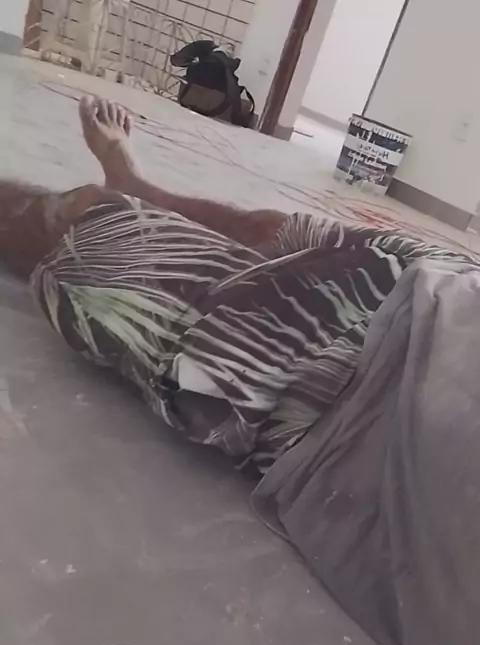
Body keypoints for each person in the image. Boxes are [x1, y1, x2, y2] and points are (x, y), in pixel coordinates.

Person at [0, 97, 469, 471]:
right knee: (287, 234)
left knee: (87, 222)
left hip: (377, 390)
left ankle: (115, 208)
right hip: (455, 296)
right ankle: (142, 188)